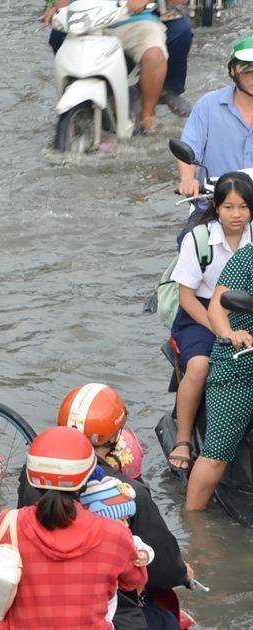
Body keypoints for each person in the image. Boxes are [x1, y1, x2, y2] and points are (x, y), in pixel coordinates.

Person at [18, 384, 191, 629]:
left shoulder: (31, 477)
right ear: (113, 438)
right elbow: (158, 567)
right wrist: (182, 574)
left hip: (36, 606)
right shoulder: (127, 497)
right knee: (166, 622)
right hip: (106, 610)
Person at [0, 426, 147, 629]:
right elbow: (134, 580)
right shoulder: (115, 535)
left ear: (32, 477)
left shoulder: (7, 525)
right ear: (87, 478)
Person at [168, 173, 253, 471]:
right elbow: (186, 297)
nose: (236, 215)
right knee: (200, 364)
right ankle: (183, 438)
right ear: (217, 207)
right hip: (199, 314)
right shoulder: (199, 239)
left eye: (243, 207)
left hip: (246, 311)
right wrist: (220, 329)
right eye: (229, 207)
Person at [187, 217, 253, 510]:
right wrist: (230, 334)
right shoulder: (246, 259)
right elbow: (217, 307)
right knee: (216, 455)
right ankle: (194, 529)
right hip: (241, 360)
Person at [43, 1, 192, 118]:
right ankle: (76, 102)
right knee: (58, 37)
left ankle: (148, 114)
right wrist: (57, 8)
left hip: (132, 18)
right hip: (86, 21)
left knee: (154, 54)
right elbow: (60, 4)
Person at [176, 36, 253, 198]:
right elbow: (189, 149)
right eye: (248, 70)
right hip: (214, 203)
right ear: (233, 71)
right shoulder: (208, 105)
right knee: (195, 225)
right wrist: (187, 179)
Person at [80, 475, 156, 628]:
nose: (127, 524)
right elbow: (135, 579)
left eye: (127, 519)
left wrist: (144, 555)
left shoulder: (129, 539)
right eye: (121, 519)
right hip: (116, 599)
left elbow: (145, 547)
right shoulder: (113, 541)